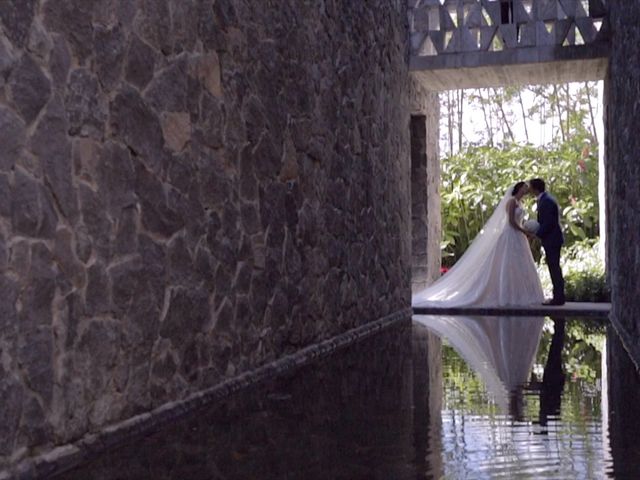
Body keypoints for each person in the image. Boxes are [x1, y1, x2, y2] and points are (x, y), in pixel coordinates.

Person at [412, 182, 544, 308]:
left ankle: (521, 295)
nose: (526, 191)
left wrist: (525, 229)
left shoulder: (519, 203)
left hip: (518, 235)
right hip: (511, 234)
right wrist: (523, 231)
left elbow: (518, 221)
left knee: (519, 264)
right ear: (518, 189)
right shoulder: (511, 202)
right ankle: (507, 296)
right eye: (524, 188)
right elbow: (510, 221)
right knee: (507, 264)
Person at [528, 178, 565, 305]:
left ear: (535, 188)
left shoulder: (547, 202)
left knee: (554, 267)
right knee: (554, 267)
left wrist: (536, 234)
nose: (529, 189)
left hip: (552, 239)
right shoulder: (546, 199)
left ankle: (558, 298)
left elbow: (549, 222)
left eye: (530, 187)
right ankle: (559, 296)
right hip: (552, 239)